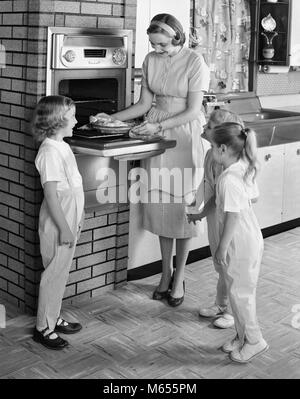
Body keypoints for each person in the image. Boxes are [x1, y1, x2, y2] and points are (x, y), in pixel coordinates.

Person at [108, 13, 210, 306]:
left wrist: (159, 126)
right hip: (155, 134)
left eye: (163, 44)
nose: (158, 49)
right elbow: (142, 104)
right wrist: (110, 118)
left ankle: (179, 278)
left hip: (184, 136)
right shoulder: (150, 60)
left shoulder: (195, 62)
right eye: (153, 44)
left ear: (177, 37)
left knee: (183, 210)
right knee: (162, 209)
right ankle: (164, 274)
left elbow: (192, 111)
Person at [202, 122, 268, 363]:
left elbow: (233, 216)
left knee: (241, 294)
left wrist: (220, 247)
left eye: (211, 146)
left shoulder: (229, 179)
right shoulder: (239, 167)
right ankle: (242, 337)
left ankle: (254, 340)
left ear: (221, 149)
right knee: (236, 291)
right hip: (242, 241)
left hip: (240, 243)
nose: (210, 151)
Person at [187, 109, 259, 329]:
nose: (205, 127)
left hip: (231, 224)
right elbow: (209, 186)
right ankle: (221, 304)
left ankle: (230, 312)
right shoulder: (212, 155)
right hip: (216, 218)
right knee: (221, 266)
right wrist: (198, 208)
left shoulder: (236, 168)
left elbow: (247, 199)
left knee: (230, 267)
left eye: (211, 125)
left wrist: (223, 206)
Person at [31, 95, 85, 350]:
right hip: (58, 222)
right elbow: (51, 195)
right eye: (71, 116)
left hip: (69, 217)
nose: (76, 120)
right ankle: (43, 327)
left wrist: (76, 220)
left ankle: (52, 317)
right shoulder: (49, 152)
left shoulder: (61, 145)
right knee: (53, 275)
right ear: (56, 121)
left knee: (60, 273)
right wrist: (64, 227)